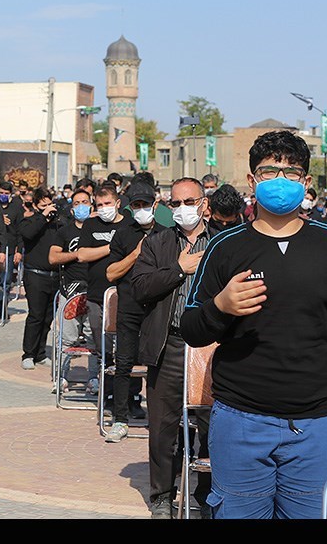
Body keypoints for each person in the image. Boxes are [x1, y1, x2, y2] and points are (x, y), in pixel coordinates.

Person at [181, 129, 327, 519]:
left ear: (306, 183)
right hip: (241, 419)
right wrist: (221, 306)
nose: (280, 180)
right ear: (252, 181)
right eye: (269, 171)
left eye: (291, 173)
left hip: (317, 423)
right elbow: (191, 328)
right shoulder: (225, 247)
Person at [131, 177, 212, 518]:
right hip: (171, 344)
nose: (183, 210)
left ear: (204, 204)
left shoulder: (225, 241)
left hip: (212, 348)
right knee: (163, 427)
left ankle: (208, 495)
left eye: (189, 202)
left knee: (212, 426)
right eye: (176, 204)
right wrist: (179, 269)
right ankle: (162, 495)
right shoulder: (157, 243)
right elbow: (140, 287)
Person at [103, 180, 165, 442]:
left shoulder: (167, 232)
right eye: (136, 205)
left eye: (145, 204)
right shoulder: (124, 233)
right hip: (128, 305)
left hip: (157, 308)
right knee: (124, 363)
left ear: (156, 204)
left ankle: (159, 418)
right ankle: (119, 419)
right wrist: (136, 254)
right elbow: (110, 273)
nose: (141, 209)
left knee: (157, 364)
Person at [77, 182, 127, 398]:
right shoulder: (90, 226)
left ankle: (126, 395)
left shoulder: (129, 224)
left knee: (124, 349)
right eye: (99, 204)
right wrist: (112, 247)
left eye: (108, 203)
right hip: (96, 296)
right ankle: (105, 390)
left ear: (117, 203)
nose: (104, 207)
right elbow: (82, 255)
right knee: (102, 347)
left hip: (124, 295)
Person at [49, 188, 94, 390]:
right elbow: (53, 257)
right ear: (72, 207)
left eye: (85, 202)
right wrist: (77, 255)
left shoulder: (98, 229)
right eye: (77, 203)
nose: (82, 206)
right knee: (65, 338)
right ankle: (61, 376)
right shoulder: (64, 231)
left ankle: (94, 377)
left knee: (94, 338)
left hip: (95, 291)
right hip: (70, 291)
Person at [19, 187, 61, 370]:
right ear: (36, 206)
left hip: (55, 275)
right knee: (36, 315)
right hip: (35, 274)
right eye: (43, 205)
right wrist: (42, 216)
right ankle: (28, 353)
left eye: (49, 204)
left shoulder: (58, 222)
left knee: (47, 317)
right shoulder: (29, 221)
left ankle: (40, 353)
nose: (48, 208)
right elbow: (28, 234)